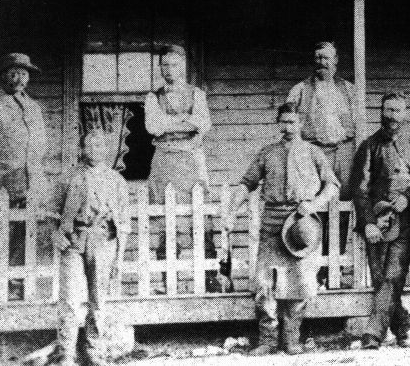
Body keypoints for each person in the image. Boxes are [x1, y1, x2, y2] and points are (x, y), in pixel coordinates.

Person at [224, 103, 339, 356]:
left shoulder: (314, 153)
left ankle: (291, 339)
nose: (288, 127)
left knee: (299, 283)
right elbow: (247, 184)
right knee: (265, 284)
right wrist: (231, 211)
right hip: (272, 221)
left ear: (301, 124)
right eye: (283, 122)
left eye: (293, 122)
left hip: (300, 224)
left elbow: (332, 186)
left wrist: (313, 205)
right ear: (278, 123)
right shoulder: (267, 153)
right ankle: (267, 339)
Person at [352, 92, 410, 349]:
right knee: (381, 279)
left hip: (406, 224)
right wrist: (368, 223)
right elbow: (360, 188)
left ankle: (373, 334)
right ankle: (404, 328)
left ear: (405, 114)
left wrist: (408, 197)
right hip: (377, 222)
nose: (391, 116)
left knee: (392, 276)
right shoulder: (369, 145)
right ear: (382, 112)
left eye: (397, 111)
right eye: (387, 110)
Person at [48, 130, 129, 366]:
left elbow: (123, 223)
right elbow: (52, 212)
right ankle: (67, 352)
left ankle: (94, 350)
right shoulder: (69, 177)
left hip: (103, 240)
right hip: (74, 239)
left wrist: (119, 258)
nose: (96, 150)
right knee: (71, 298)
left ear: (107, 149)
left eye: (101, 145)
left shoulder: (116, 180)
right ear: (83, 149)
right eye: (90, 145)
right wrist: (56, 233)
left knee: (98, 299)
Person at [144, 44, 212, 291]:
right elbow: (153, 127)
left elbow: (204, 123)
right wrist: (186, 121)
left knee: (200, 217)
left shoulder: (197, 94)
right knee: (165, 219)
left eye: (173, 64)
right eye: (164, 65)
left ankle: (209, 278)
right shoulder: (154, 97)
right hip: (164, 159)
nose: (168, 69)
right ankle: (165, 280)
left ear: (182, 65)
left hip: (192, 160)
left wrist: (172, 123)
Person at [0, 53, 47, 276]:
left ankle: (15, 280)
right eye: (13, 73)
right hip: (0, 182)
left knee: (23, 232)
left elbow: (40, 142)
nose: (19, 78)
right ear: (3, 75)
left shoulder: (33, 107)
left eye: (24, 73)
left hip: (29, 181)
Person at [285, 41, 357, 198]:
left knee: (344, 197)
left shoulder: (349, 89)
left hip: (343, 152)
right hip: (314, 151)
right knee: (315, 197)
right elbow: (288, 123)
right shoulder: (300, 90)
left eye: (326, 58)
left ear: (336, 59)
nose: (321, 63)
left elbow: (360, 123)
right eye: (317, 58)